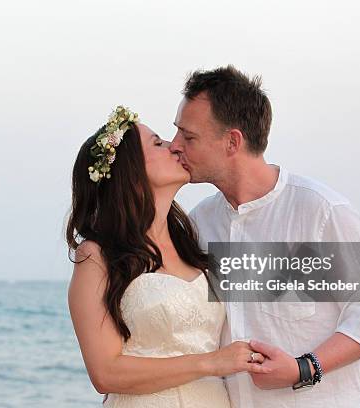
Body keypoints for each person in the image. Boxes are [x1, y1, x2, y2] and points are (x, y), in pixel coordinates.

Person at [169, 65, 360, 408]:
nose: (176, 146)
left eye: (188, 137)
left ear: (232, 141)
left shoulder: (322, 211)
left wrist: (304, 368)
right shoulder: (198, 223)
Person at [66, 106, 269, 407]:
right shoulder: (96, 256)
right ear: (130, 170)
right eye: (158, 143)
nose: (175, 147)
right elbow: (105, 373)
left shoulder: (195, 238)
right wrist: (212, 363)